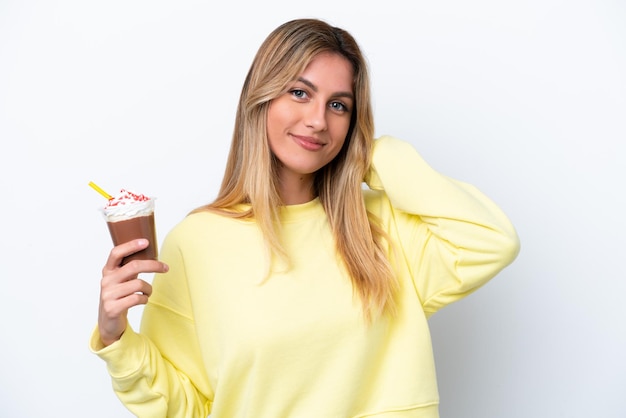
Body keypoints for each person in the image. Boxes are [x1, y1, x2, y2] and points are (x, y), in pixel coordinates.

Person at [90, 18, 520, 418]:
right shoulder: (196, 241)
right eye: (300, 93)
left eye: (339, 106)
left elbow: (492, 240)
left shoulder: (382, 228)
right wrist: (116, 338)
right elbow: (187, 406)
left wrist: (376, 153)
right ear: (262, 98)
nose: (317, 121)